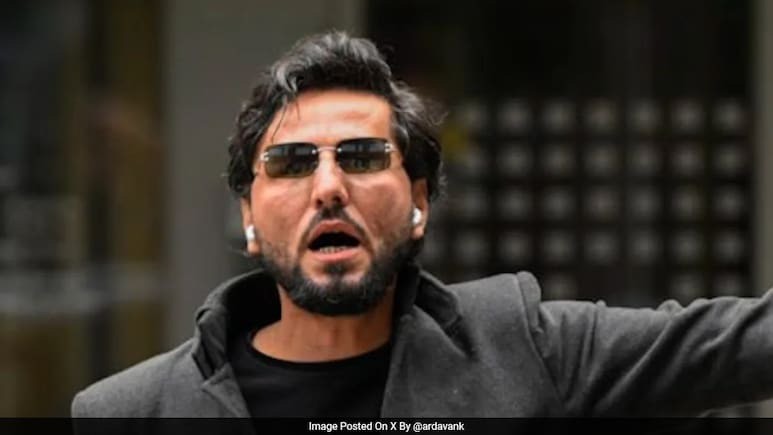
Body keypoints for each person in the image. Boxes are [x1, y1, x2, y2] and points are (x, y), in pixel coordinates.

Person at [71, 31, 773, 419]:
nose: (328, 187)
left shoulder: (519, 348)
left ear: (418, 203)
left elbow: (739, 344)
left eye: (362, 156)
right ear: (249, 215)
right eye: (291, 163)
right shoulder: (132, 412)